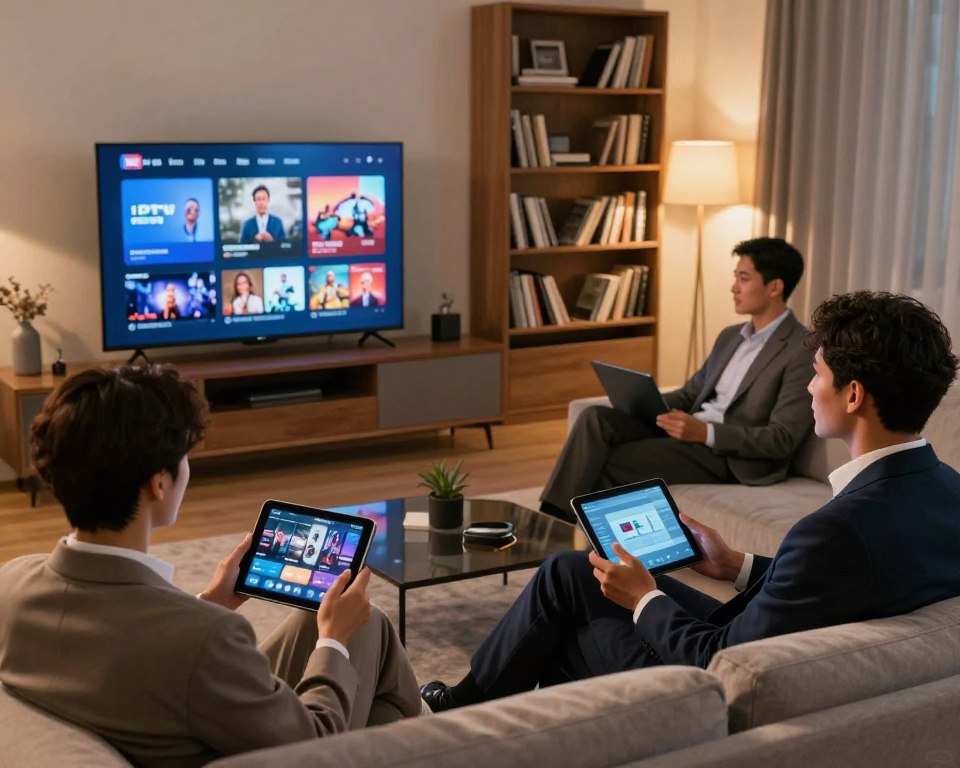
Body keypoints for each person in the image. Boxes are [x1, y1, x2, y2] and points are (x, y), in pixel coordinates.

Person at [421, 291, 960, 711]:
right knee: (569, 572)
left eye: (817, 374)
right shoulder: (946, 491)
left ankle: (474, 725)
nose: (809, 388)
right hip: (795, 653)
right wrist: (736, 565)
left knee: (572, 626)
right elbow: (840, 579)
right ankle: (468, 705)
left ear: (854, 394)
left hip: (711, 682)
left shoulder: (835, 529)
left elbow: (719, 659)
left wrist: (643, 599)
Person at [0, 365, 422, 766]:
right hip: (242, 747)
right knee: (355, 637)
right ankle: (443, 733)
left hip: (168, 707)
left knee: (355, 629)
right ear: (159, 483)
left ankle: (426, 718)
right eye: (184, 457)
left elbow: (138, 646)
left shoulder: (13, 583)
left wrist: (209, 602)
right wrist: (333, 641)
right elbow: (313, 745)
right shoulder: (205, 639)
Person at [540, 237, 814, 522]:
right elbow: (690, 394)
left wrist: (704, 433)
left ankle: (558, 533)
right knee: (596, 417)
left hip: (729, 456)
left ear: (775, 287)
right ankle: (552, 523)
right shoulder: (731, 336)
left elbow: (781, 439)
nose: (734, 288)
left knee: (610, 461)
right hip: (692, 432)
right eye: (735, 277)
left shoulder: (800, 350)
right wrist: (638, 401)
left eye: (743, 278)